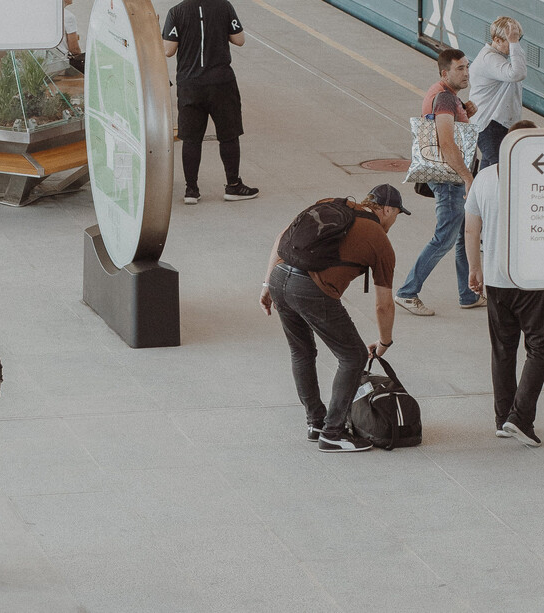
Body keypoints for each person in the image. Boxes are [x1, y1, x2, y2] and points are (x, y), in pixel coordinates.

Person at [260, 184, 409, 452]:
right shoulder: (379, 240)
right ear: (387, 209)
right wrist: (385, 341)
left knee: (301, 352)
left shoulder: (333, 203)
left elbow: (281, 236)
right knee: (353, 356)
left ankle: (316, 423)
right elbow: (384, 305)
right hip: (310, 289)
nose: (395, 220)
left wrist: (267, 284)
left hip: (280, 276)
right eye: (397, 214)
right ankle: (333, 432)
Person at [464, 120, 544, 447]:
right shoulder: (543, 180)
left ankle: (503, 419)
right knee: (541, 347)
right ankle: (520, 417)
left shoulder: (484, 178)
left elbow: (472, 230)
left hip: (497, 280)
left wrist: (475, 268)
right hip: (533, 280)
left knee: (503, 349)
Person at [395, 48, 483, 316]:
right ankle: (407, 292)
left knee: (459, 237)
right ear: (445, 73)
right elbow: (445, 142)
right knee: (444, 237)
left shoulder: (447, 96)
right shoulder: (444, 99)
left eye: (467, 67)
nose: (467, 73)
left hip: (451, 177)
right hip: (449, 179)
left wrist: (466, 112)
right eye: (460, 69)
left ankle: (468, 294)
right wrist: (468, 178)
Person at [162, 0, 259, 205]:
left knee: (191, 139)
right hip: (221, 83)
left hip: (189, 85)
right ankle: (233, 185)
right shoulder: (224, 6)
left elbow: (169, 50)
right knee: (229, 135)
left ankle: (191, 190)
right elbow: (239, 39)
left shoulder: (176, 12)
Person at [469, 17, 526, 171]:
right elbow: (518, 73)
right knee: (500, 172)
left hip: (494, 125)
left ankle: (477, 195)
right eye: (512, 40)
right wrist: (514, 44)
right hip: (491, 126)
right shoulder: (489, 59)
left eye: (518, 39)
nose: (516, 44)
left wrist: (513, 43)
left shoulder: (496, 57)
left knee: (488, 174)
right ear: (497, 40)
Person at [58, 0, 85, 74]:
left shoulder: (44, 13)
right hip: (62, 66)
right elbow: (74, 49)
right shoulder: (68, 16)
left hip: (44, 64)